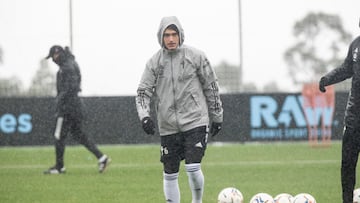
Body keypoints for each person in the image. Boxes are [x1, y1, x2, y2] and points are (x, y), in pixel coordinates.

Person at [135, 16, 223, 203]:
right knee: (170, 173)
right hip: (168, 126)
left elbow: (211, 86)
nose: (171, 39)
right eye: (167, 35)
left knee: (192, 167)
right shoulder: (154, 63)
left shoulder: (196, 56)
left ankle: (197, 201)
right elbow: (143, 92)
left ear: (180, 35)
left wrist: (217, 116)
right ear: (161, 37)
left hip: (195, 120)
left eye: (174, 34)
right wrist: (144, 117)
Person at [43, 45, 111, 174]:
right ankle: (102, 158)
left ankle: (59, 167)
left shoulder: (66, 67)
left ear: (57, 54)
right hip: (76, 105)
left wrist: (59, 100)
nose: (52, 60)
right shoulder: (72, 63)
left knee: (59, 136)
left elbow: (70, 87)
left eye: (53, 56)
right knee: (79, 135)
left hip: (67, 107)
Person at [319, 19, 360, 203]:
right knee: (347, 166)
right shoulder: (356, 45)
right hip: (354, 119)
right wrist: (327, 79)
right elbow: (347, 68)